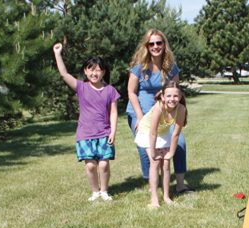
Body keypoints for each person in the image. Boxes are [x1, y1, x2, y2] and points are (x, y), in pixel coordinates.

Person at [126, 29, 191, 193]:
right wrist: (139, 117)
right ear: (147, 46)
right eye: (152, 43)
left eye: (159, 43)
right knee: (146, 146)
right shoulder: (138, 68)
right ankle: (152, 183)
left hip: (165, 113)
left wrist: (180, 113)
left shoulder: (171, 67)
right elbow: (131, 92)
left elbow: (175, 90)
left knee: (180, 143)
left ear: (164, 44)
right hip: (141, 112)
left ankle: (181, 184)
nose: (155, 46)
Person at [53, 43, 120, 201]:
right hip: (85, 135)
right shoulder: (81, 87)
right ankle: (95, 191)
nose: (94, 73)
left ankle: (104, 191)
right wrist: (57, 54)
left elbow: (114, 112)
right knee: (90, 165)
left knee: (103, 164)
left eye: (98, 69)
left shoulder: (110, 90)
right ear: (85, 71)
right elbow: (64, 74)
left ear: (103, 72)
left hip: (104, 133)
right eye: (91, 69)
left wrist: (113, 131)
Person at [135, 81, 188, 208]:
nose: (172, 99)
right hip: (147, 132)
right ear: (163, 97)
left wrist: (171, 152)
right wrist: (153, 152)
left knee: (166, 163)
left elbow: (175, 133)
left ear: (180, 97)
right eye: (169, 96)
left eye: (175, 96)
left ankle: (166, 196)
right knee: (155, 162)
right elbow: (152, 132)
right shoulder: (159, 108)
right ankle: (154, 199)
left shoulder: (181, 109)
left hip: (163, 133)